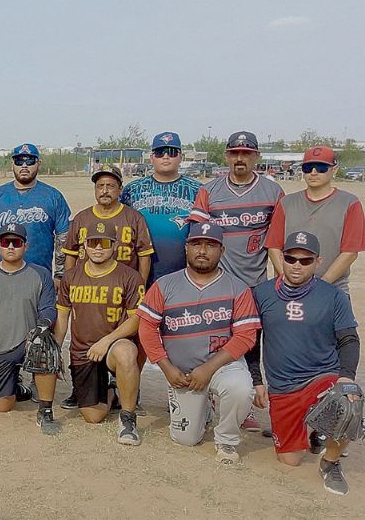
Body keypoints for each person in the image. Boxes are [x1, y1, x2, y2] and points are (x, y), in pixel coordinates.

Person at [137, 222, 260, 464]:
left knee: (240, 387)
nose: (202, 250)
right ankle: (204, 412)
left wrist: (208, 368)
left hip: (222, 367)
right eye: (196, 244)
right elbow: (147, 328)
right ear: (186, 248)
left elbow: (246, 336)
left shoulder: (238, 288)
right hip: (182, 373)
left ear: (222, 251)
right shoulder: (165, 285)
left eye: (210, 245)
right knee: (186, 439)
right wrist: (167, 368)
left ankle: (226, 440)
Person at [188, 130, 284, 433]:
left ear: (256, 156)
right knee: (212, 337)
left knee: (250, 341)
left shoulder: (272, 191)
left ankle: (247, 398)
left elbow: (277, 240)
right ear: (227, 156)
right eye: (234, 153)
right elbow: (197, 238)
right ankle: (209, 398)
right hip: (220, 280)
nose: (240, 158)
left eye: (246, 153)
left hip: (255, 280)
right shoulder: (210, 190)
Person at [251, 231, 360, 495]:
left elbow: (349, 340)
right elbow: (252, 342)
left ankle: (330, 462)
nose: (297, 265)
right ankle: (313, 427)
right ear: (281, 259)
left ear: (318, 262)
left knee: (349, 400)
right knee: (290, 460)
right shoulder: (261, 293)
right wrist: (257, 380)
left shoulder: (333, 296)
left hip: (322, 376)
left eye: (305, 260)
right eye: (291, 258)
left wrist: (346, 377)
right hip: (284, 387)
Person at [53, 221, 145, 444]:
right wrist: (55, 350)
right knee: (93, 416)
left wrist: (107, 341)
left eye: (104, 243)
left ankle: (128, 418)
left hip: (113, 345)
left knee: (125, 352)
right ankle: (112, 391)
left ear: (114, 245)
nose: (98, 248)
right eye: (93, 242)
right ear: (84, 245)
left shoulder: (130, 277)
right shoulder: (71, 276)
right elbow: (63, 317)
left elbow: (136, 319)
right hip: (83, 350)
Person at [0, 224, 57, 419]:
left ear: (25, 246)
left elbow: (48, 307)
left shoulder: (40, 274)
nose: (10, 247)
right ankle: (15, 385)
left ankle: (46, 409)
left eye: (16, 242)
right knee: (2, 406)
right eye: (5, 242)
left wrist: (44, 324)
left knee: (47, 348)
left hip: (29, 344)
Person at [266, 146, 365, 294]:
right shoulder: (286, 203)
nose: (314, 172)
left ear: (334, 170)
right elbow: (274, 247)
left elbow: (350, 252)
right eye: (308, 167)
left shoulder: (350, 204)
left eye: (321, 167)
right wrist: (288, 280)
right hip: (288, 290)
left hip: (332, 290)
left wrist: (319, 287)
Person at [0, 143, 71, 283]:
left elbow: (63, 239)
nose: (24, 166)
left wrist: (60, 275)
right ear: (12, 164)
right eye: (19, 161)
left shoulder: (53, 196)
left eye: (29, 161)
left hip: (38, 276)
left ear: (38, 163)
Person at [120, 131, 202, 285]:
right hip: (139, 272)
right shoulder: (132, 189)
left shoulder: (197, 190)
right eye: (159, 152)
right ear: (151, 158)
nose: (165, 157)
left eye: (171, 152)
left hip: (184, 273)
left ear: (181, 157)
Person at [62, 165, 154, 282]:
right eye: (100, 186)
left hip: (122, 285)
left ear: (120, 189)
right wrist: (69, 283)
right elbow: (70, 253)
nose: (104, 191)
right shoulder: (81, 218)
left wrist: (140, 286)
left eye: (110, 186)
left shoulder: (134, 218)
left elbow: (144, 256)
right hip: (86, 286)